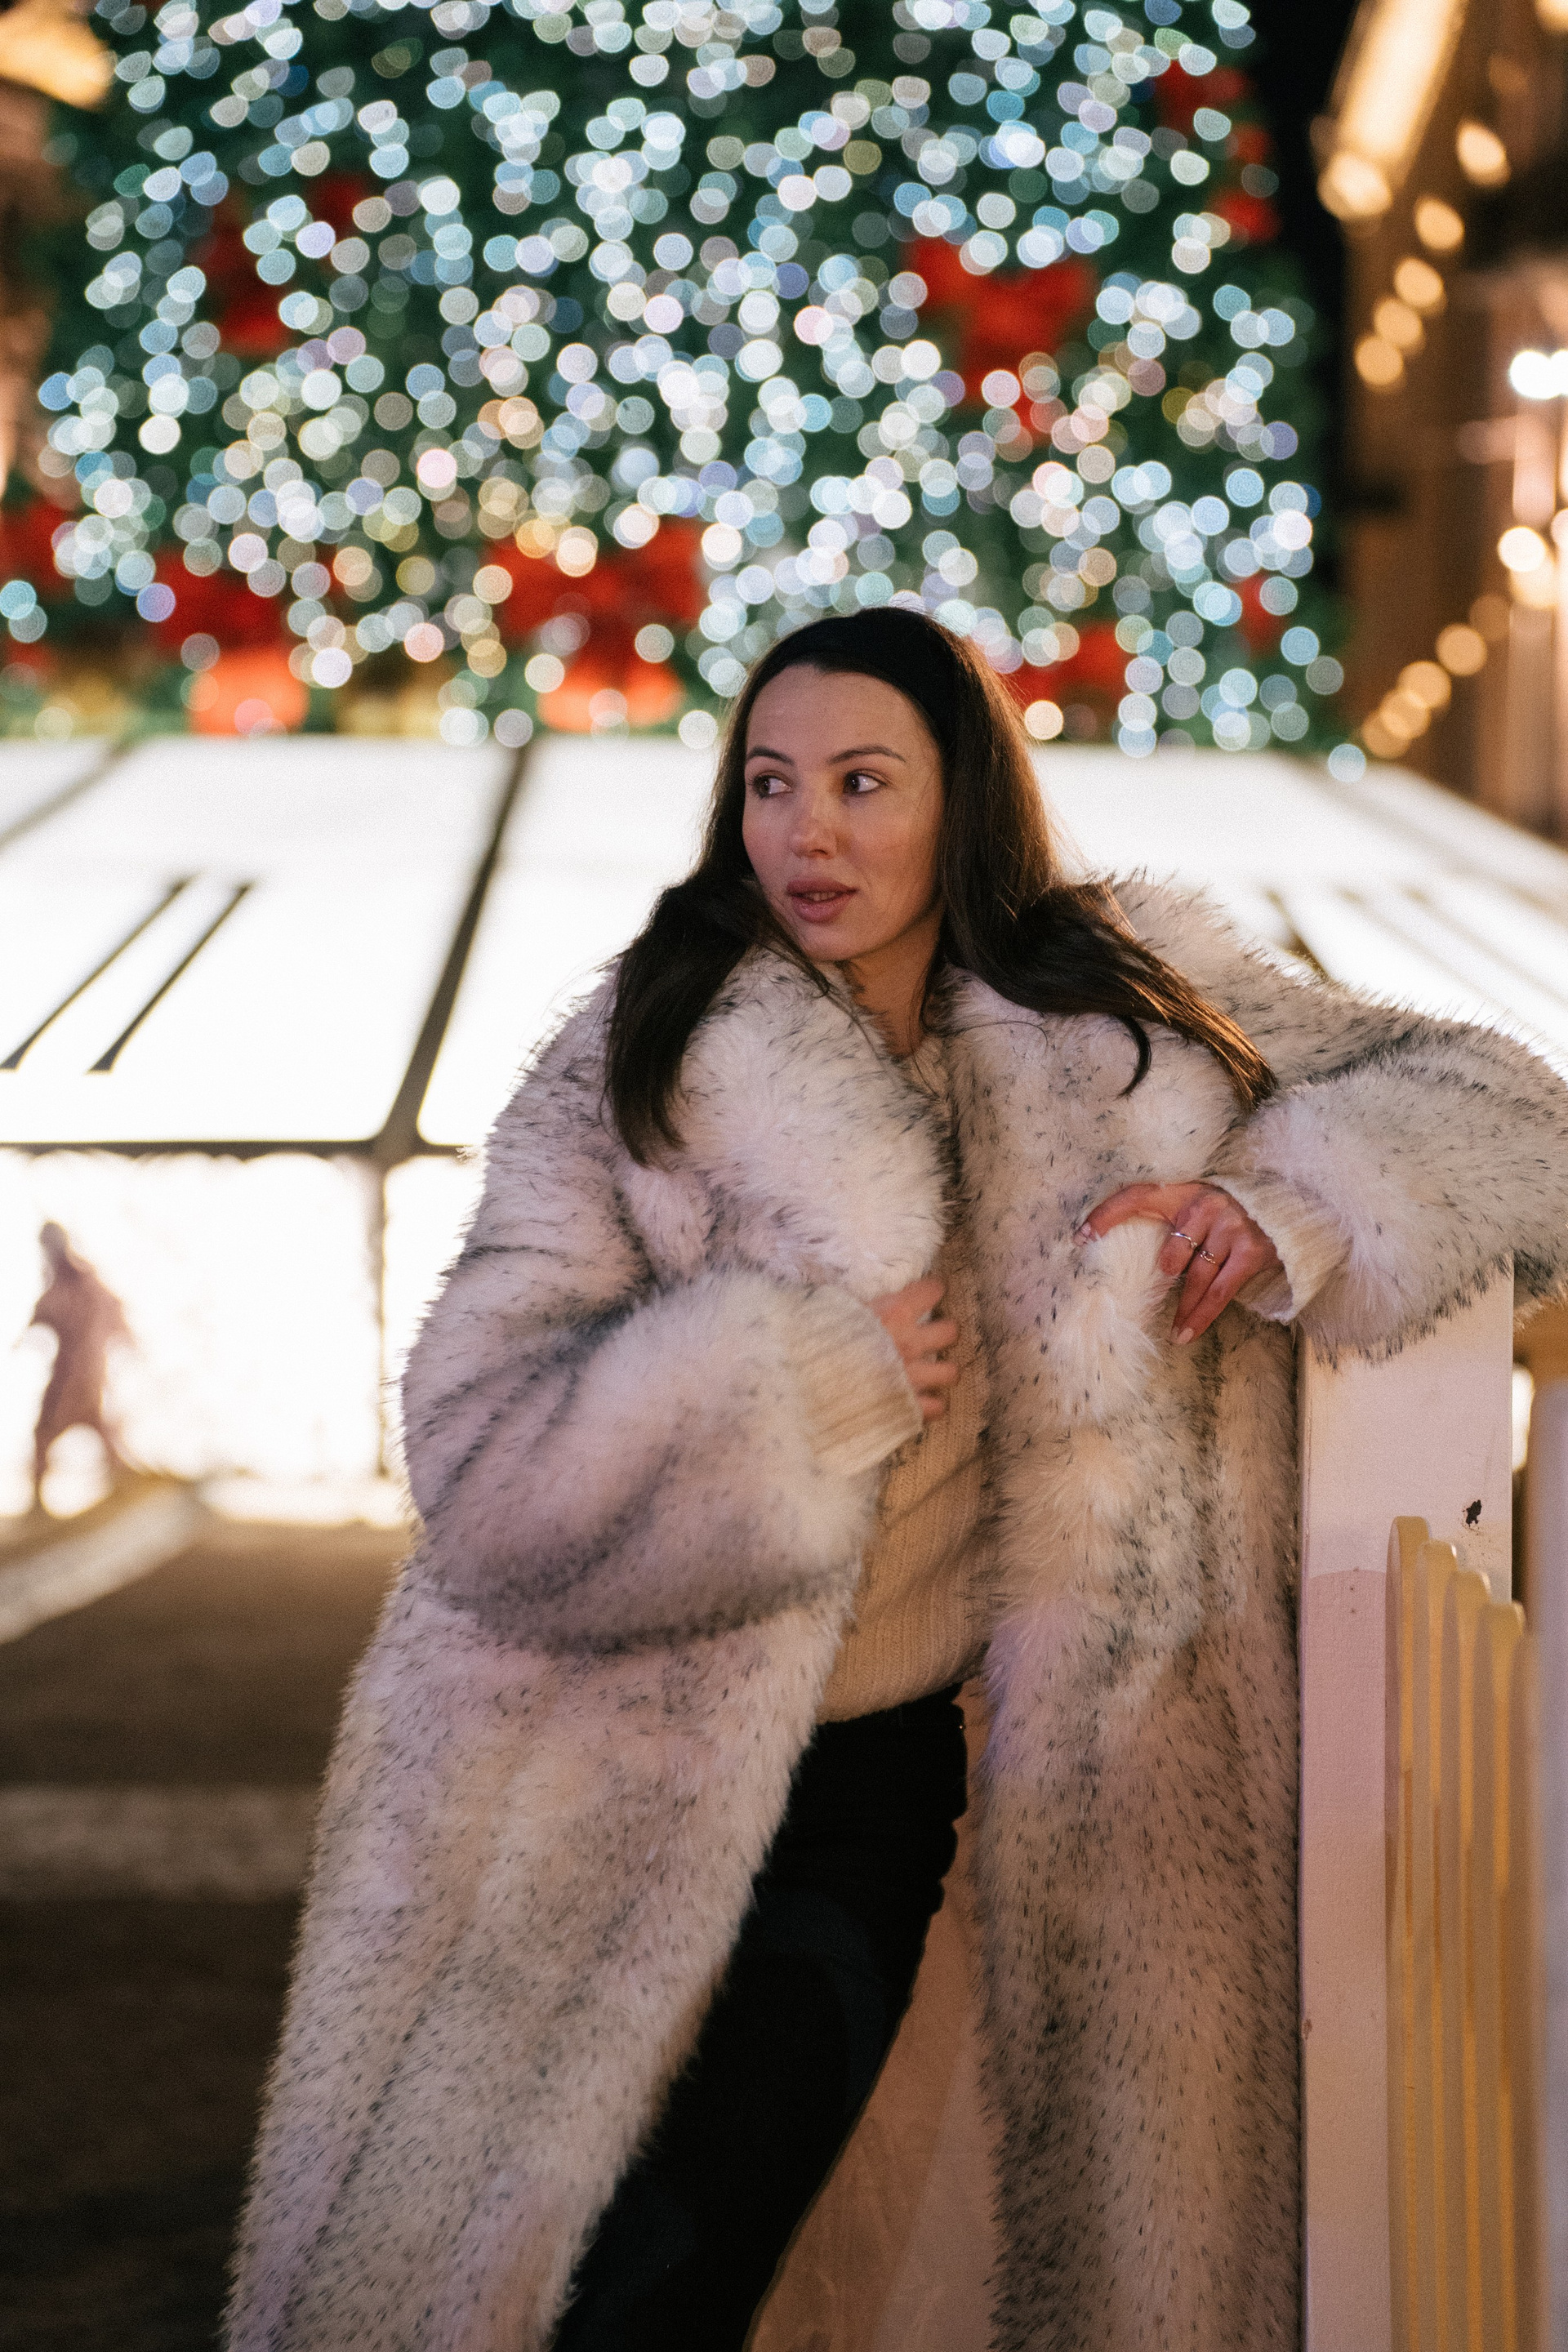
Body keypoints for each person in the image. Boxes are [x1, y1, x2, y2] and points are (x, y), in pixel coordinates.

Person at [228, 612, 1568, 2352]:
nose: (811, 833)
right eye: (772, 784)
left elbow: (1512, 1116)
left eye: (866, 783)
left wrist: (1287, 1205)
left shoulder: (1123, 1020)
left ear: (963, 802)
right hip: (587, 1776)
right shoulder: (653, 1044)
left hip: (885, 1779)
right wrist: (793, 1385)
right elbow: (478, 1455)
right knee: (513, 2293)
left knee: (697, 2262)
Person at [27, 1223, 131, 1511]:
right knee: (61, 1432)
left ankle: (123, 1486)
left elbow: (111, 1313)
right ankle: (38, 1505)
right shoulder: (62, 1282)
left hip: (80, 1375)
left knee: (50, 1431)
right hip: (78, 1372)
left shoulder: (80, 1281)